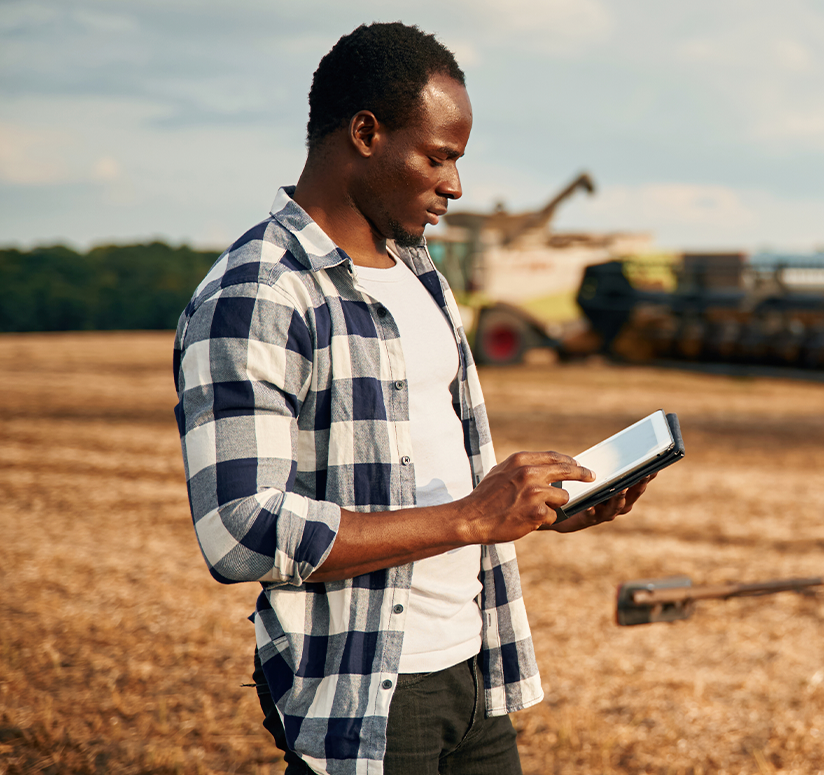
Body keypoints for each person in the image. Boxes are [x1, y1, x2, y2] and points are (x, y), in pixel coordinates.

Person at [172, 22, 649, 775]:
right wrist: (469, 517)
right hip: (367, 692)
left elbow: (422, 465)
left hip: (474, 664)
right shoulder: (256, 294)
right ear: (365, 132)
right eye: (439, 157)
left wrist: (535, 508)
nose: (454, 185)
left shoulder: (420, 272)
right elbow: (241, 531)